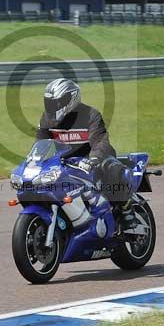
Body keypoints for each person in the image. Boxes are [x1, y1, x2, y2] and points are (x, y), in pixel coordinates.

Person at [35, 78, 139, 234]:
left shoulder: (91, 115)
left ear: (71, 99)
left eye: (57, 102)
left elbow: (100, 141)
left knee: (111, 167)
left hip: (94, 159)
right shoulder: (47, 119)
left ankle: (126, 209)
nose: (52, 107)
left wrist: (94, 159)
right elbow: (40, 144)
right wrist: (35, 160)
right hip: (65, 162)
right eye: (49, 103)